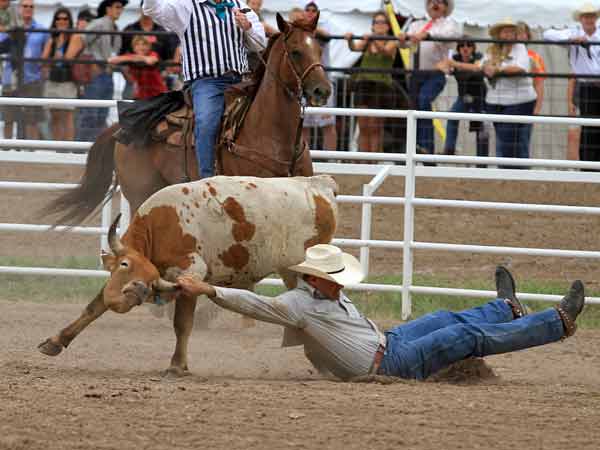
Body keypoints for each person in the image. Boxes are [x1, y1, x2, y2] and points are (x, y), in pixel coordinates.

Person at [176, 244, 586, 381]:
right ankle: (556, 322)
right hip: (388, 363)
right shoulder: (297, 305)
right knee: (466, 337)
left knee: (445, 318)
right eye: (333, 276)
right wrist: (208, 288)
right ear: (316, 280)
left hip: (389, 343)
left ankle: (506, 307)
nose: (340, 282)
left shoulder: (320, 296)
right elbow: (254, 303)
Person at [143, 0, 267, 179]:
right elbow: (152, 9)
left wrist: (248, 27)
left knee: (267, 114)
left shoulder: (239, 4)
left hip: (240, 80)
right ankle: (206, 178)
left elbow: (260, 44)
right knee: (206, 123)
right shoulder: (186, 6)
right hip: (206, 81)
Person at [397, 0, 461, 156]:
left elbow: (451, 35)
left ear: (445, 7)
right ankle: (417, 148)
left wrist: (428, 34)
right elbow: (404, 45)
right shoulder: (416, 24)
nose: (435, 5)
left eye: (439, 2)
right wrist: (402, 39)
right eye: (432, 2)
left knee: (424, 102)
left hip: (435, 73)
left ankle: (425, 148)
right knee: (414, 108)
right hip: (416, 74)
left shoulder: (449, 24)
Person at [543, 3, 600, 163]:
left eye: (591, 16)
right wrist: (571, 39)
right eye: (586, 16)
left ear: (596, 18)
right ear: (581, 19)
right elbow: (547, 34)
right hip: (588, 87)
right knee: (589, 129)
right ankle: (588, 166)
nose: (589, 19)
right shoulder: (574, 32)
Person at [66, 0, 126, 142]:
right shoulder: (99, 24)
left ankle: (90, 149)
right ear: (108, 9)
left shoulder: (114, 27)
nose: (120, 10)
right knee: (90, 114)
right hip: (97, 74)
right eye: (117, 7)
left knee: (100, 115)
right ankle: (81, 149)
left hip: (106, 74)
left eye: (121, 8)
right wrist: (83, 62)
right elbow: (82, 39)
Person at [482, 18, 537, 167]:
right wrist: (487, 68)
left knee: (510, 138)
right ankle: (512, 173)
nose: (509, 34)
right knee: (506, 138)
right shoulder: (492, 49)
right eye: (505, 31)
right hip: (496, 100)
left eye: (512, 31)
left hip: (519, 101)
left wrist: (497, 69)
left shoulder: (520, 48)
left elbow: (521, 68)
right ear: (499, 34)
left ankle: (513, 173)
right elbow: (483, 65)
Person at [345, 11, 400, 155]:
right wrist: (349, 39)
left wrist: (373, 39)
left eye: (382, 22)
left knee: (376, 127)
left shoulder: (392, 41)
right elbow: (354, 48)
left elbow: (386, 52)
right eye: (376, 22)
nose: (379, 25)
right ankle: (364, 161)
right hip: (364, 84)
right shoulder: (367, 40)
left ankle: (374, 160)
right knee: (363, 126)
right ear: (373, 26)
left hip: (382, 86)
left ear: (388, 26)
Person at [0, 0, 48, 140]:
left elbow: (45, 55)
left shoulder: (41, 30)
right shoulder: (6, 29)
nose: (28, 8)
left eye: (31, 6)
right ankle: (7, 152)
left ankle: (32, 154)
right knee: (9, 118)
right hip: (10, 78)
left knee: (31, 121)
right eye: (25, 6)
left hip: (32, 79)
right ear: (19, 8)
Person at [437, 37, 488, 161]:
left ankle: (482, 160)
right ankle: (449, 149)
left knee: (481, 126)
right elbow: (442, 66)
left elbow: (477, 67)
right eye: (462, 45)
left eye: (469, 45)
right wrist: (447, 67)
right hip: (463, 97)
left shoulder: (479, 56)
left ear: (473, 48)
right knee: (452, 117)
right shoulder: (455, 58)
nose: (465, 48)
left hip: (480, 97)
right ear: (458, 48)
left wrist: (454, 65)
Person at [119, 1, 178, 99]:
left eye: (149, 8)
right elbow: (121, 53)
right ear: (140, 9)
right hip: (133, 79)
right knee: (129, 109)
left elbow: (169, 56)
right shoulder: (129, 29)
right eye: (145, 7)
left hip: (156, 80)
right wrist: (128, 77)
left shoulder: (161, 31)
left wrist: (163, 75)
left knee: (157, 109)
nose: (146, 11)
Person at [302, 1, 337, 152]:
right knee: (304, 126)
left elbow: (327, 36)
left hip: (323, 82)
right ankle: (304, 158)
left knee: (328, 124)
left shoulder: (321, 30)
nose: (310, 12)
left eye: (313, 10)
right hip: (304, 84)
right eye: (308, 10)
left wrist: (310, 27)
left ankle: (332, 160)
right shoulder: (301, 33)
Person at [40, 7, 77, 141]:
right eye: (59, 19)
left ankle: (68, 149)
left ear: (69, 21)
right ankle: (57, 148)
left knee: (67, 116)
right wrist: (53, 43)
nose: (62, 21)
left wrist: (55, 58)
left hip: (67, 82)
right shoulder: (52, 40)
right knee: (54, 116)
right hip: (52, 81)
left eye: (65, 19)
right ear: (55, 21)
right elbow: (43, 60)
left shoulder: (74, 37)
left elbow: (68, 58)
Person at [109, 34, 167, 99]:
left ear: (149, 47)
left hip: (158, 94)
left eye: (144, 44)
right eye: (137, 45)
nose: (141, 47)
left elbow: (151, 60)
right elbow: (112, 60)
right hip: (141, 95)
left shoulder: (152, 54)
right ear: (133, 48)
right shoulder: (131, 56)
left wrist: (132, 58)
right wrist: (134, 58)